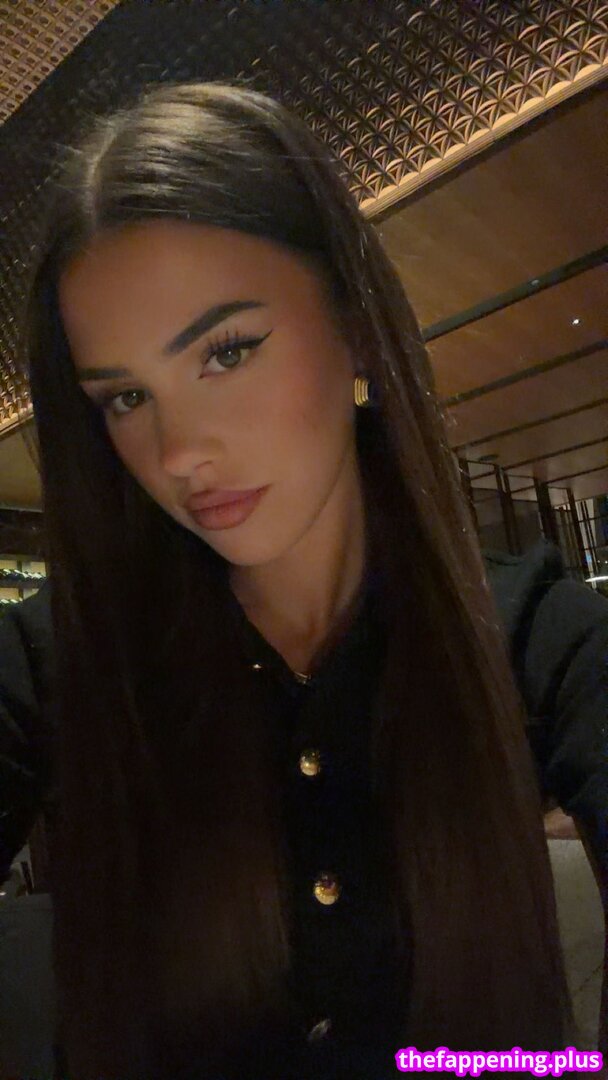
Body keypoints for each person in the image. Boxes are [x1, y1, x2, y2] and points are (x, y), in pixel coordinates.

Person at [1, 79, 606, 1079]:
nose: (180, 451)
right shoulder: (60, 658)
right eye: (125, 399)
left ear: (354, 325)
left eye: (227, 351)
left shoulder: (532, 631)